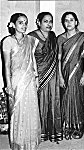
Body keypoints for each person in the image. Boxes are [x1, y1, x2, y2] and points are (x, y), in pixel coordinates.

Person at [2, 13, 41, 150]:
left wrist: (36, 77)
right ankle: (18, 141)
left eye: (25, 22)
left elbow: (33, 59)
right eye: (20, 22)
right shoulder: (7, 41)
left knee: (30, 109)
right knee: (17, 110)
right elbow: (6, 65)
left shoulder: (30, 40)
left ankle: (30, 141)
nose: (24, 25)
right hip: (16, 80)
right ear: (13, 24)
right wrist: (8, 85)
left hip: (29, 79)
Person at [57, 11, 84, 140]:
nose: (68, 22)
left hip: (78, 72)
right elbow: (58, 59)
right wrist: (60, 76)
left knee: (77, 98)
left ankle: (78, 125)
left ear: (76, 22)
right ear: (63, 23)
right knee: (65, 99)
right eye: (66, 20)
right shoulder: (60, 38)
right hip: (64, 72)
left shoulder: (83, 37)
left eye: (71, 20)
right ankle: (67, 126)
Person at [28, 12, 63, 142]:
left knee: (54, 100)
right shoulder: (31, 36)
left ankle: (54, 131)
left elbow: (57, 56)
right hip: (39, 74)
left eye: (50, 21)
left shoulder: (53, 36)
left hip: (53, 74)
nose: (49, 24)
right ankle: (40, 132)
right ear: (38, 22)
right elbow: (29, 58)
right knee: (40, 102)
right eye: (45, 21)